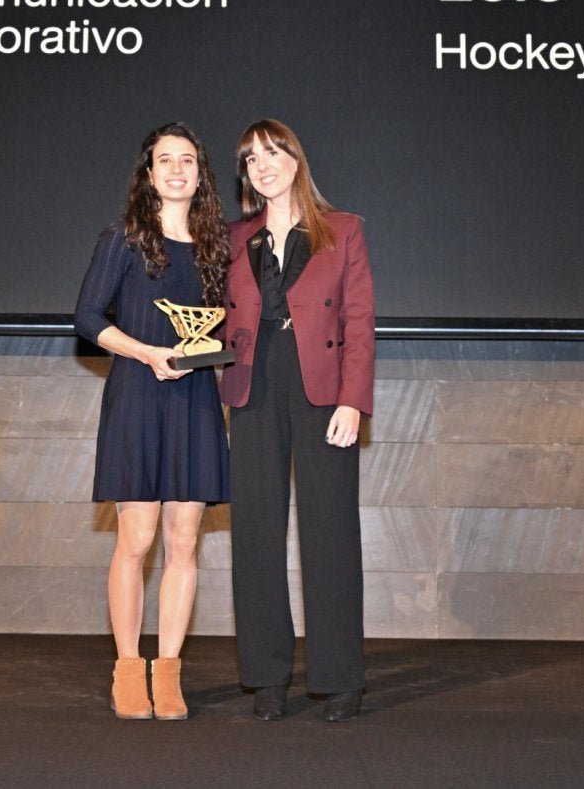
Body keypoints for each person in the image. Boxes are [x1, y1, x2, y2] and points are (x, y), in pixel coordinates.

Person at [219, 118, 375, 722]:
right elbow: (209, 314)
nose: (262, 164)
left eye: (272, 152)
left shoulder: (344, 230)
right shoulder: (234, 237)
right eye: (251, 158)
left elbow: (358, 322)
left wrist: (351, 401)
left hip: (323, 386)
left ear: (295, 159)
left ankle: (340, 680)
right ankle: (266, 677)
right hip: (254, 379)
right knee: (255, 531)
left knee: (330, 530)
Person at [74, 122, 231, 720]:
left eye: (187, 160)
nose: (175, 170)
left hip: (195, 401)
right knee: (136, 541)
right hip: (138, 395)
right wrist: (145, 353)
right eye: (164, 160)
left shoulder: (221, 246)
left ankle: (168, 674)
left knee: (184, 541)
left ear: (200, 174)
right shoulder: (123, 239)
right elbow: (88, 317)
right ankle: (127, 670)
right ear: (148, 173)